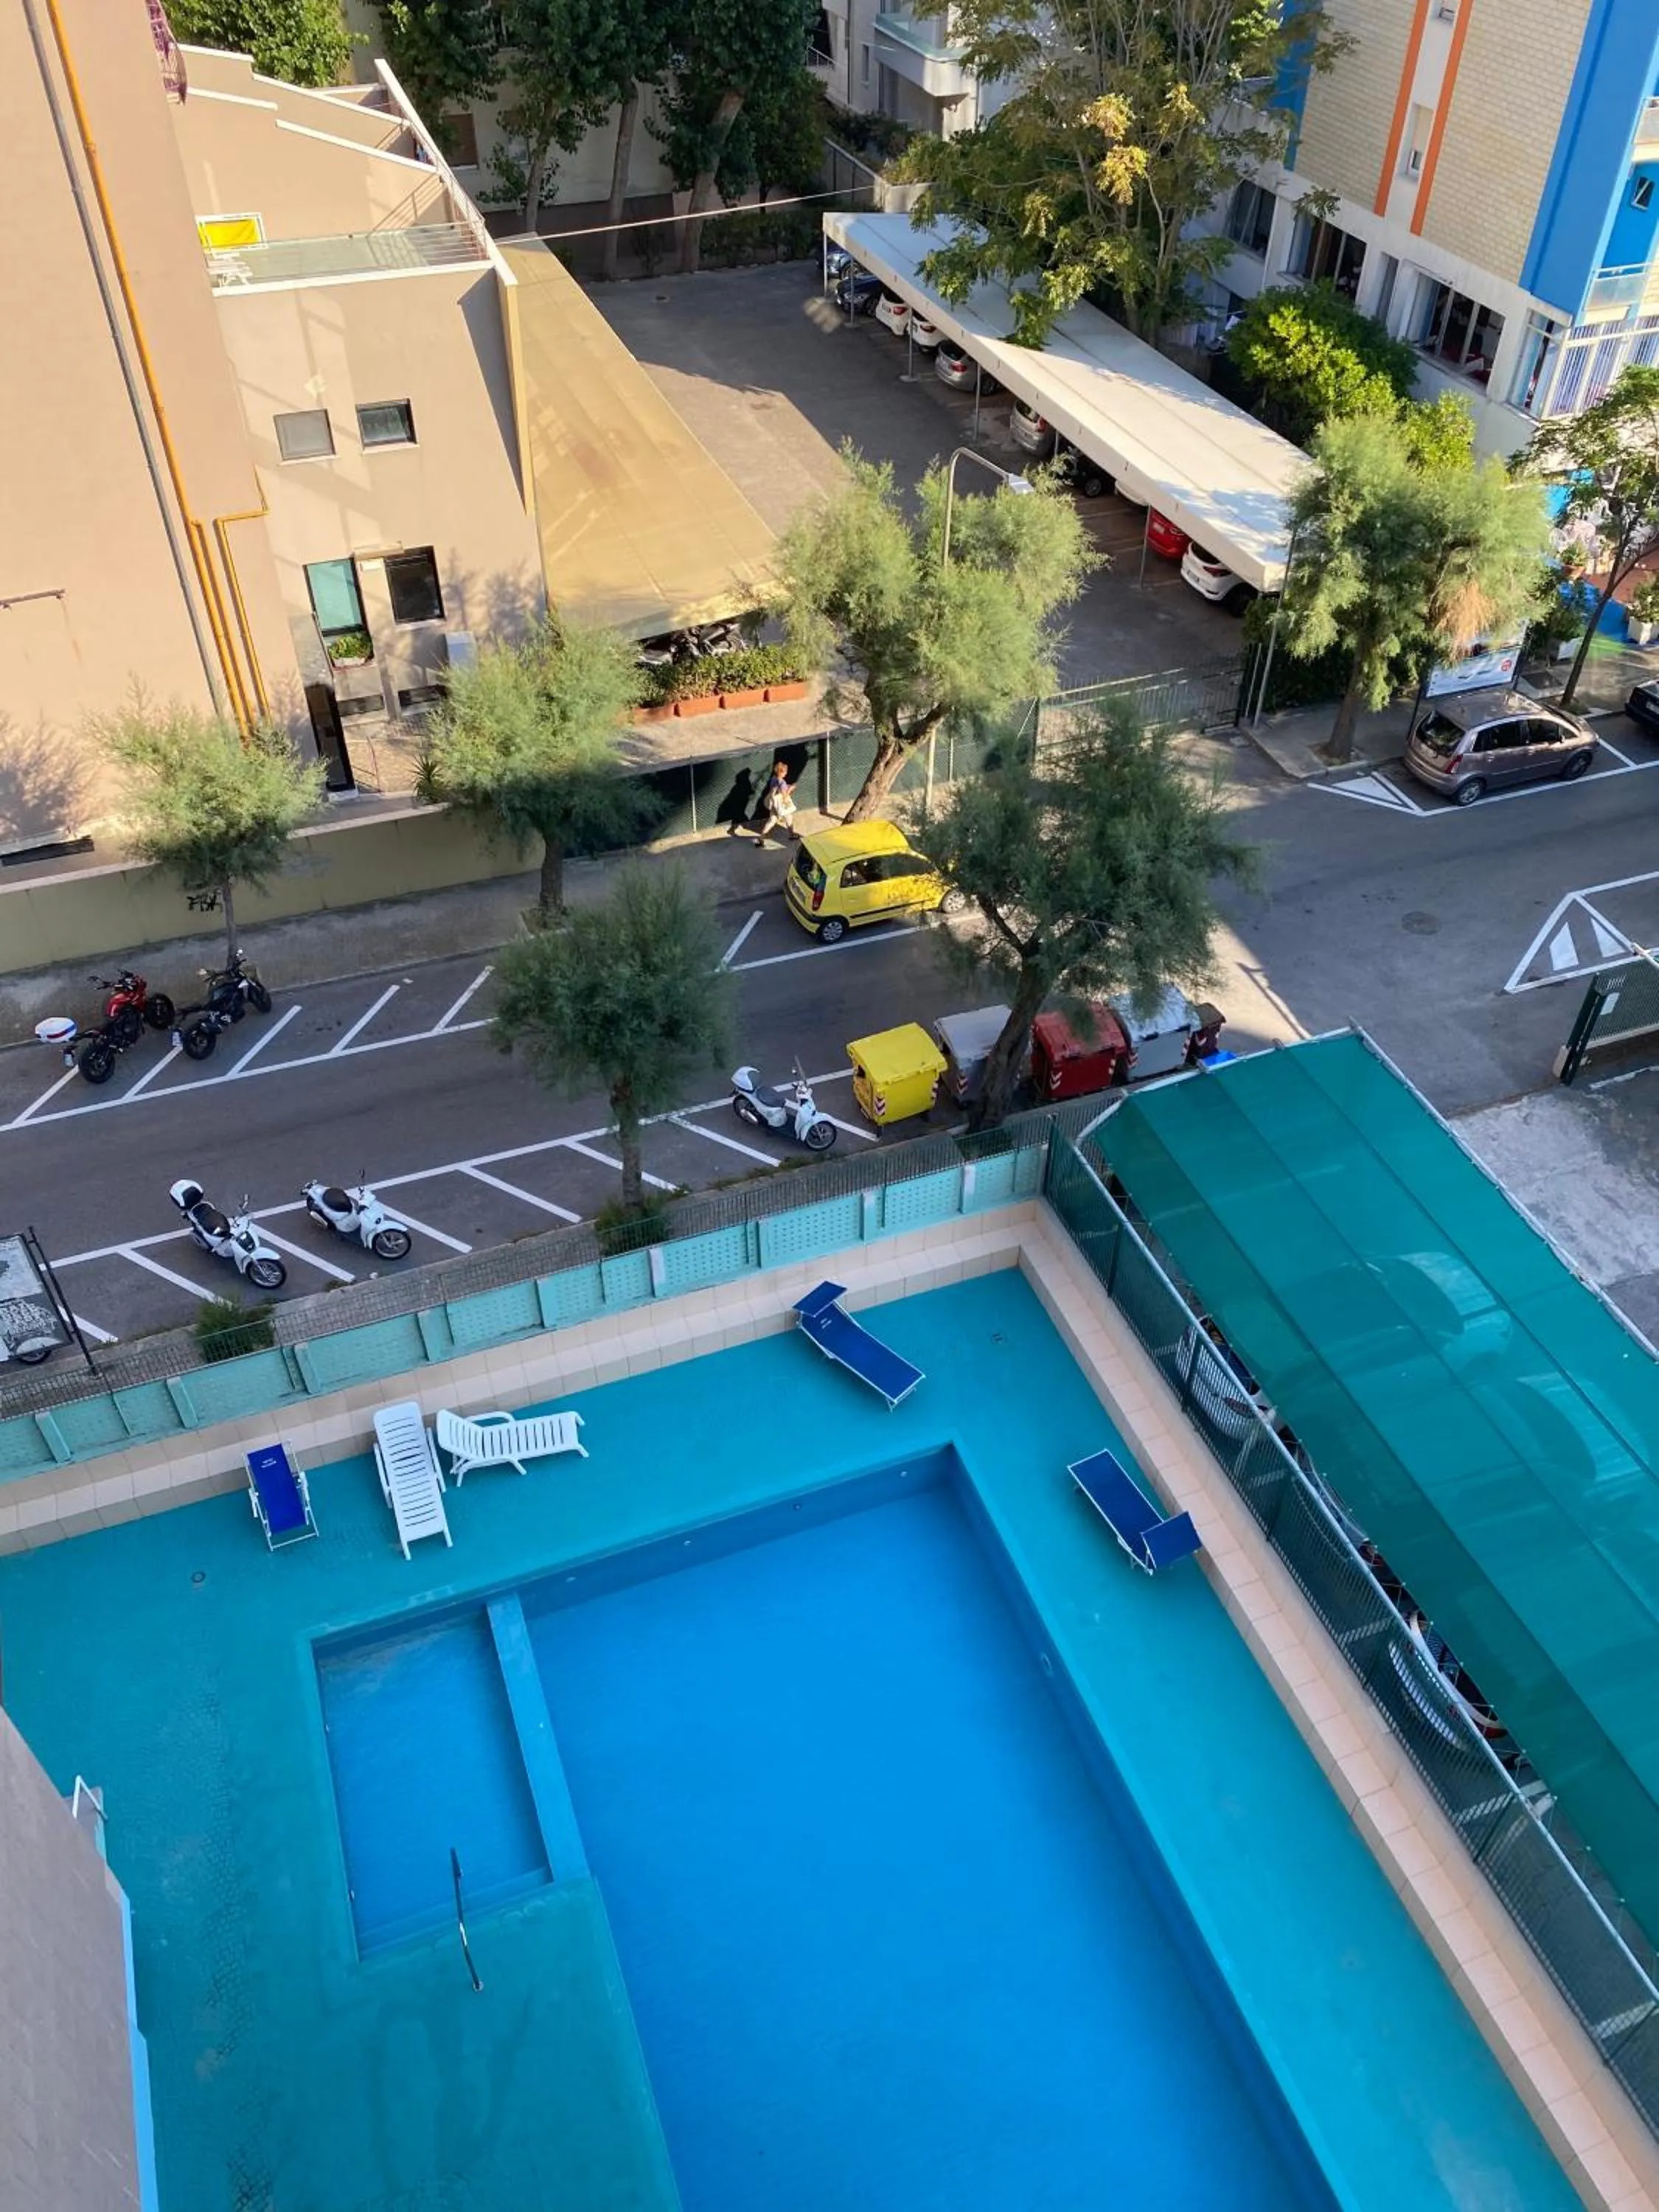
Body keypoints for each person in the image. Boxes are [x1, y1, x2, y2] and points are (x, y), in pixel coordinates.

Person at [757, 759, 797, 845]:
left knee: (772, 820)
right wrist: (791, 788)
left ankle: (761, 837)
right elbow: (785, 796)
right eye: (785, 772)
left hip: (773, 803)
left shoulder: (773, 778)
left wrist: (786, 787)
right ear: (781, 772)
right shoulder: (782, 782)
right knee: (789, 818)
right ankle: (792, 835)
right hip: (781, 804)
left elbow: (775, 790)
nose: (786, 773)